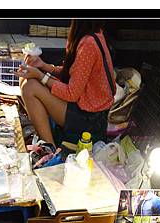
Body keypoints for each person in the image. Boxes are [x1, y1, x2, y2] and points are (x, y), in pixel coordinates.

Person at [17, 19, 115, 148]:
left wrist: (41, 76)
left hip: (90, 119)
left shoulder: (89, 43)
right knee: (25, 79)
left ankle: (50, 149)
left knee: (30, 87)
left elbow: (71, 94)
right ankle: (46, 138)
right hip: (83, 107)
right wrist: (44, 66)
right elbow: (73, 74)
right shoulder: (90, 34)